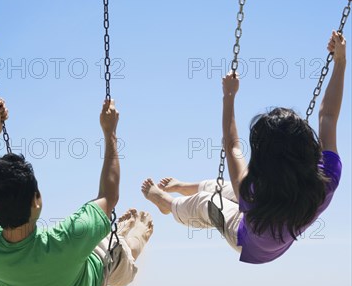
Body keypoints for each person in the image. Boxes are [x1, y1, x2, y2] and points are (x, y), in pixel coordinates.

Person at [142, 31, 345, 264]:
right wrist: (340, 60)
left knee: (208, 202)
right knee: (221, 186)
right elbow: (328, 117)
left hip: (249, 243)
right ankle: (184, 186)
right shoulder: (327, 177)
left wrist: (228, 95)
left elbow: (232, 147)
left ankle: (167, 204)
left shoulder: (251, 192)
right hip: (277, 237)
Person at [0, 99, 153, 286]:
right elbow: (109, 195)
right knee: (119, 258)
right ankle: (131, 236)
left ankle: (114, 233)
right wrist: (110, 133)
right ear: (36, 200)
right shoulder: (67, 238)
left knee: (91, 239)